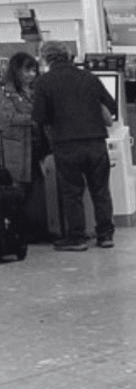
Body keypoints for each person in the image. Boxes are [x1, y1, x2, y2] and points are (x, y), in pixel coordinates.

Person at [31, 42, 118, 251]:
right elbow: (111, 106)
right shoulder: (89, 77)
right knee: (101, 191)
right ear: (68, 56)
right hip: (96, 142)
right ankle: (105, 235)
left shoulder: (44, 82)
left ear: (46, 59)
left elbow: (40, 117)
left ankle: (77, 238)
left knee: (72, 193)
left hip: (66, 145)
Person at [0, 52, 40, 228]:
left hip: (35, 148)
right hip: (15, 149)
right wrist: (32, 119)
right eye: (27, 70)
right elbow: (7, 118)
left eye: (34, 70)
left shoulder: (33, 92)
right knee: (17, 190)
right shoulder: (5, 93)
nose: (32, 74)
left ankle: (33, 227)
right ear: (16, 70)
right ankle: (17, 229)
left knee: (35, 190)